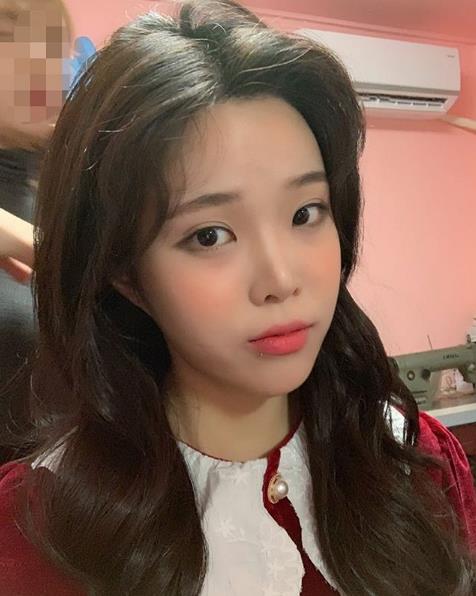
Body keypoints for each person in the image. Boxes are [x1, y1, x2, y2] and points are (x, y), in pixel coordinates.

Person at [0, 1, 475, 594]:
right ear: (126, 275)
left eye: (305, 213)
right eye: (210, 235)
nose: (280, 279)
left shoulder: (413, 457)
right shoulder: (36, 529)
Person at [0, 0, 72, 463]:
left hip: (52, 484)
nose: (44, 64)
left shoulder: (70, 185)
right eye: (11, 35)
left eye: (54, 46)